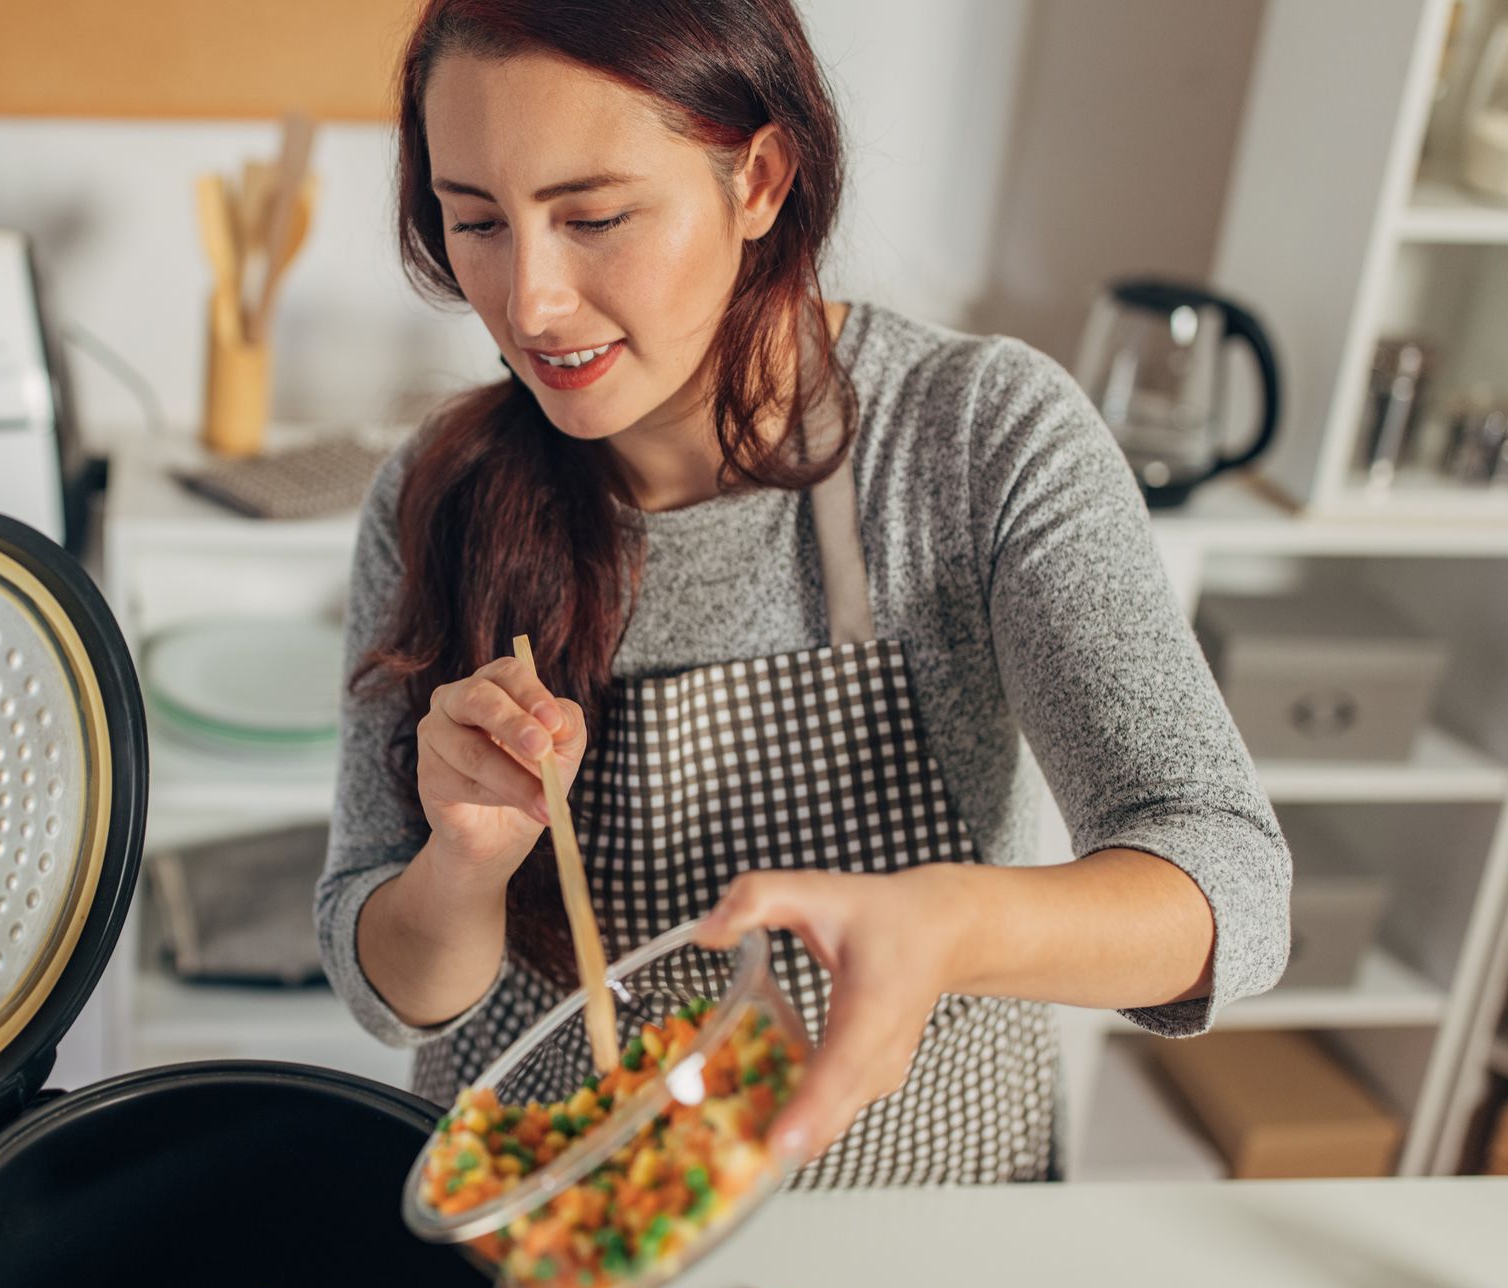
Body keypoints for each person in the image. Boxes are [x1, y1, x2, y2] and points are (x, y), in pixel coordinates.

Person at [314, 0, 1290, 1184]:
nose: (529, 304)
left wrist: (950, 923)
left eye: (595, 218)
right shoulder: (441, 490)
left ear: (759, 181)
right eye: (475, 222)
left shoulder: (971, 436)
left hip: (898, 1214)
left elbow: (1230, 885)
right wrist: (461, 867)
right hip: (557, 1209)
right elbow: (389, 993)